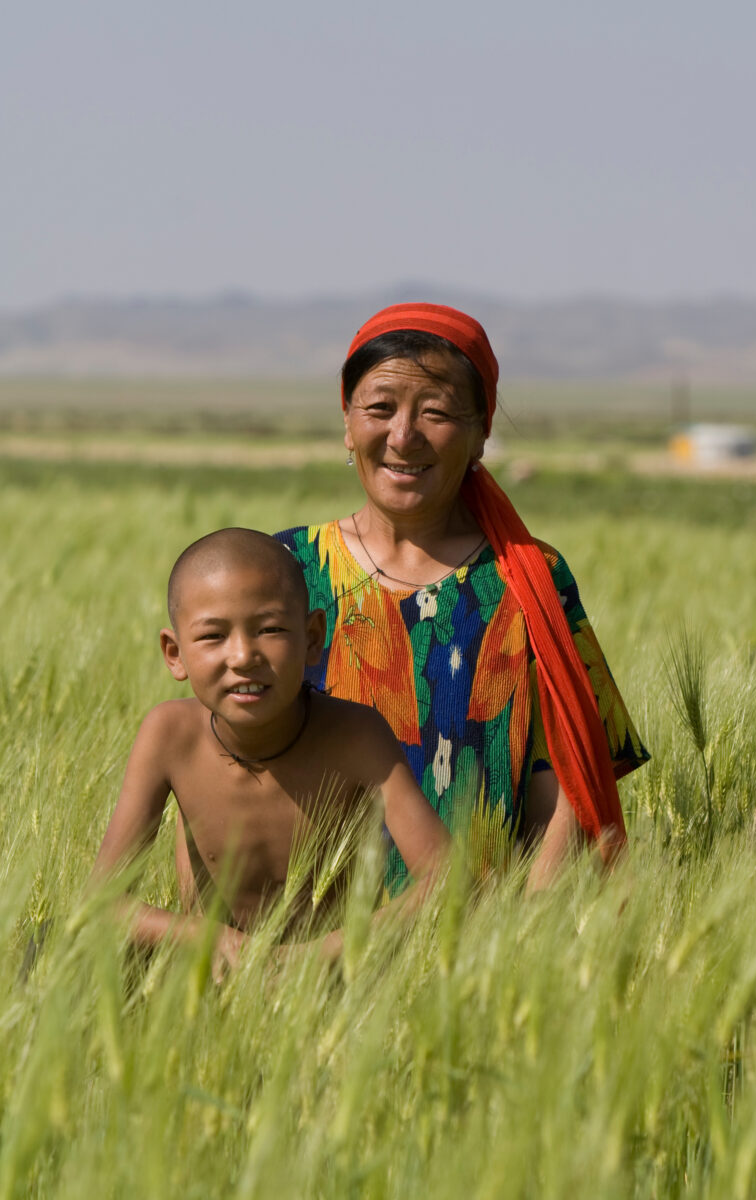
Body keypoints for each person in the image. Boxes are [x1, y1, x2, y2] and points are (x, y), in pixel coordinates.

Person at [274, 303, 649, 899]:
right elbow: (223, 757)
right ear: (347, 422)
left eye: (437, 412)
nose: (402, 436)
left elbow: (574, 777)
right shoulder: (286, 570)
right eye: (379, 408)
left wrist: (517, 930)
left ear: (480, 433)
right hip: (306, 941)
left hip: (483, 948)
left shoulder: (529, 579)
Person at [93, 527, 450, 973]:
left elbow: (449, 880)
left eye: (270, 629)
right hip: (206, 975)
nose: (243, 655)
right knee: (50, 951)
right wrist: (210, 939)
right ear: (174, 653)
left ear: (313, 638)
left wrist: (317, 957)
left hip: (334, 980)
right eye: (212, 636)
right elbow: (102, 902)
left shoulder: (356, 736)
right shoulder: (169, 735)